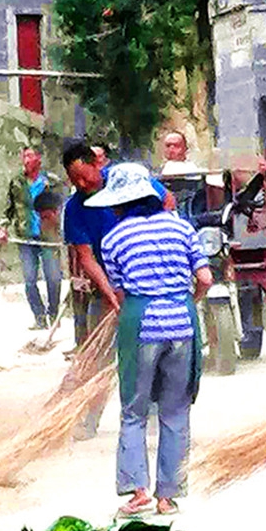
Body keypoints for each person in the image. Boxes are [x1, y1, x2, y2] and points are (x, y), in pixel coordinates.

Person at [85, 163, 212, 516]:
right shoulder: (183, 228)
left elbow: (121, 293)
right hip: (182, 326)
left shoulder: (113, 240)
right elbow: (205, 278)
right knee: (175, 411)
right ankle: (167, 497)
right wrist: (189, 301)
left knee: (134, 411)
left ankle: (137, 491)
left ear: (119, 203)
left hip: (140, 325)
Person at [62, 142, 172, 437]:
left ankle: (151, 413)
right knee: (98, 356)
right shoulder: (74, 208)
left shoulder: (127, 179)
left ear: (98, 164)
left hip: (147, 283)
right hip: (108, 287)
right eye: (76, 182)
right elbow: (85, 257)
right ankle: (89, 418)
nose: (83, 185)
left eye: (86, 176)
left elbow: (167, 201)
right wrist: (110, 292)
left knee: (149, 349)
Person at [0, 147, 62, 330]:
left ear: (39, 159)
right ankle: (40, 317)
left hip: (49, 237)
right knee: (29, 280)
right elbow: (8, 209)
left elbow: (62, 206)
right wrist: (3, 228)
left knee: (54, 278)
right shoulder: (16, 182)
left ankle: (54, 315)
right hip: (25, 238)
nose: (26, 160)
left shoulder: (51, 182)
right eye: (24, 156)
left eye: (30, 156)